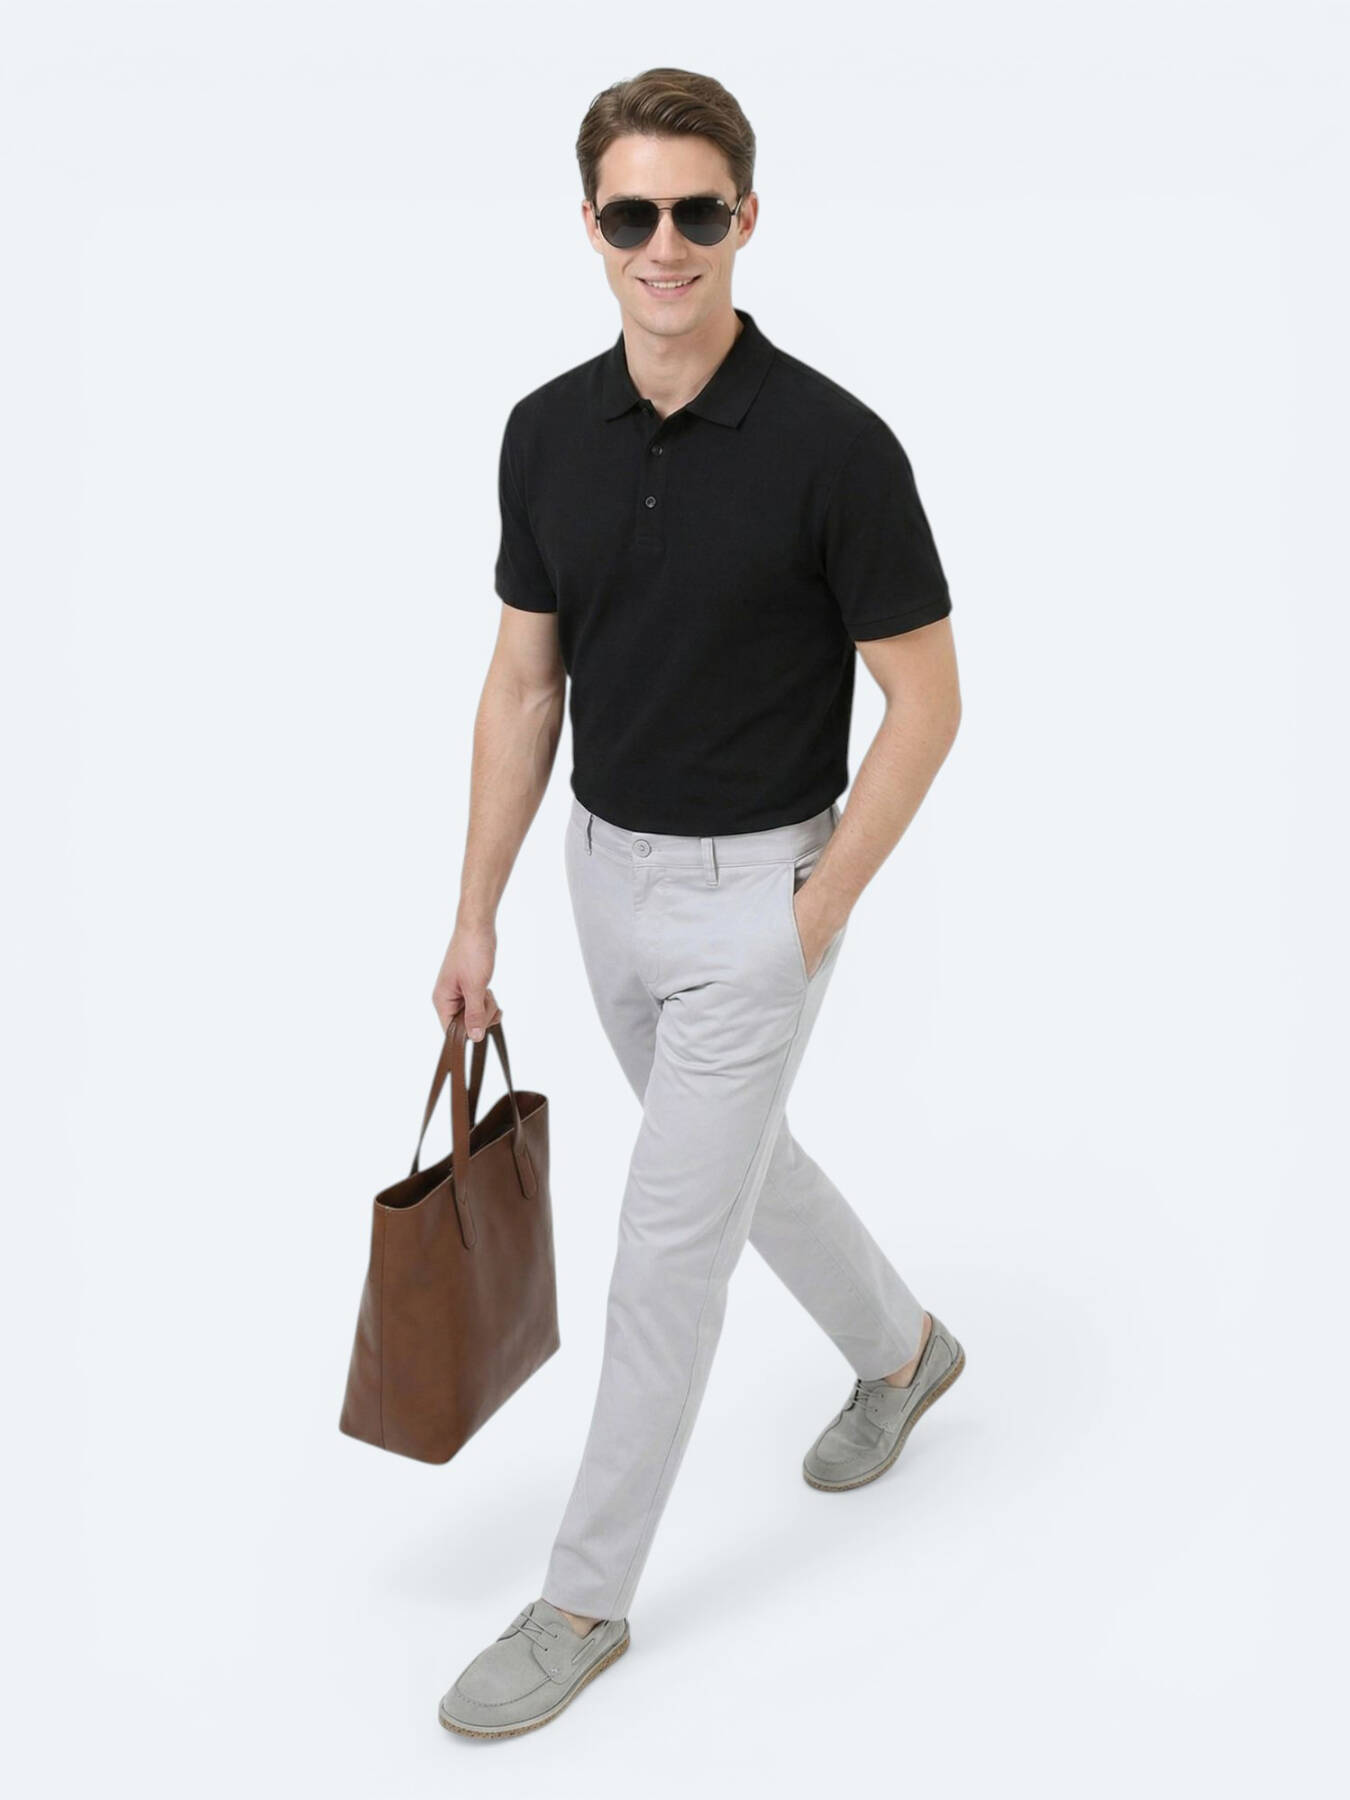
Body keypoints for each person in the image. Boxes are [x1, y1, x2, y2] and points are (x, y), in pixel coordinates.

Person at [430, 66, 965, 1741]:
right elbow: (524, 687)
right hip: (602, 878)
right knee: (736, 1169)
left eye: (696, 210)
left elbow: (926, 704)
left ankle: (581, 1601)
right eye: (631, 213)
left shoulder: (833, 447)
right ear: (589, 226)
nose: (664, 245)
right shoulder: (543, 432)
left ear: (745, 216)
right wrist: (474, 915)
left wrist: (813, 911)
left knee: (665, 1251)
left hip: (760, 899)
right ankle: (903, 1352)